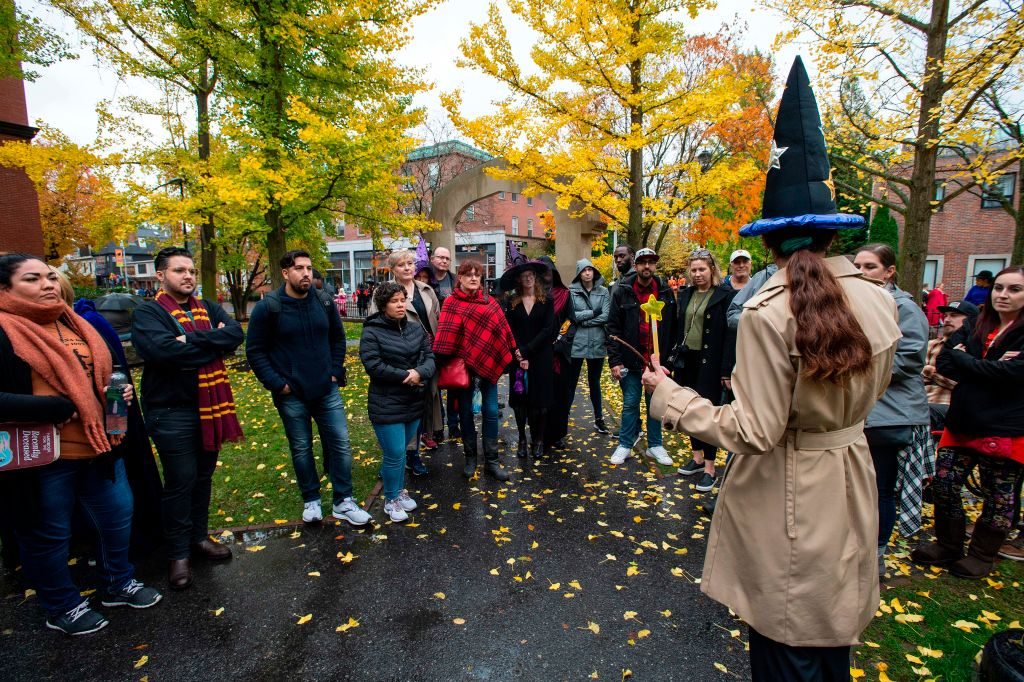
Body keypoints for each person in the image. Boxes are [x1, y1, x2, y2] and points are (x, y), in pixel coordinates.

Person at [642, 56, 903, 679]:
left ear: (768, 240)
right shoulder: (879, 298)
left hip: (792, 490)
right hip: (848, 479)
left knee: (787, 640)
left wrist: (671, 396)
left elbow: (754, 431)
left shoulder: (767, 310)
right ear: (832, 234)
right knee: (827, 632)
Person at [0, 253, 163, 635]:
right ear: (5, 289)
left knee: (116, 518)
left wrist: (116, 391)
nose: (48, 285)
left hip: (101, 444)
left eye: (50, 277)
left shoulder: (73, 322)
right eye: (32, 279)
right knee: (49, 534)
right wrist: (53, 407)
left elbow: (98, 376)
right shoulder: (6, 329)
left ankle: (117, 583)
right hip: (41, 457)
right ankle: (62, 606)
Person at [132, 247, 244, 591]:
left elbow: (236, 334)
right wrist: (210, 343)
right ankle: (178, 553)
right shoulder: (149, 313)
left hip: (210, 409)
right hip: (171, 411)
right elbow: (162, 351)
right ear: (160, 276)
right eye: (180, 270)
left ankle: (198, 537)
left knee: (203, 476)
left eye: (192, 270)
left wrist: (190, 340)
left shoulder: (207, 307)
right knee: (180, 480)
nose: (189, 276)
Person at [245, 250, 371, 528]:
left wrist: (336, 371)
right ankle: (311, 499)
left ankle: (343, 500)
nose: (306, 273)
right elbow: (255, 351)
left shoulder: (324, 301)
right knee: (301, 447)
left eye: (309, 268)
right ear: (285, 273)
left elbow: (338, 338)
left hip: (326, 389)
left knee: (340, 444)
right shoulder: (270, 307)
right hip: (292, 394)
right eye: (299, 268)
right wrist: (278, 384)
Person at [912, 265, 1024, 578]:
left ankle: (981, 554)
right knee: (945, 483)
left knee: (998, 494)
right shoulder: (976, 323)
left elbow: (1014, 375)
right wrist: (985, 366)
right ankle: (948, 545)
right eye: (999, 287)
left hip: (1006, 426)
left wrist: (968, 361)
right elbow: (947, 361)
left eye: (1014, 289)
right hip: (962, 420)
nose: (1003, 294)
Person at [854, 244, 931, 568]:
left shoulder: (904, 307)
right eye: (857, 265)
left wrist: (858, 368)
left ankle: (877, 554)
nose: (861, 272)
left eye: (870, 266)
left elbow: (911, 358)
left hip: (888, 413)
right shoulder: (853, 303)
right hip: (857, 411)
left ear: (889, 271)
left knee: (879, 487)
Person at [432, 259, 522, 481]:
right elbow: (445, 337)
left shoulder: (489, 302)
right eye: (468, 274)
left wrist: (514, 350)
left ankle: (491, 461)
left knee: (491, 412)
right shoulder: (451, 303)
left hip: (488, 366)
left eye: (477, 274)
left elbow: (503, 332)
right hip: (463, 369)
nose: (473, 278)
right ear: (460, 278)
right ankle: (471, 458)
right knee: (465, 414)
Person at [360, 282, 435, 523]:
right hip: (386, 403)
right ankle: (390, 500)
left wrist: (419, 373)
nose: (400, 304)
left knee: (402, 451)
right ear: (383, 305)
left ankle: (400, 492)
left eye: (403, 299)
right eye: (394, 301)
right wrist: (406, 375)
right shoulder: (372, 331)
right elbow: (373, 365)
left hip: (412, 403)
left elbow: (429, 357)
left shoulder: (415, 329)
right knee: (393, 453)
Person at [369, 250, 442, 471]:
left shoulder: (426, 290)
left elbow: (437, 319)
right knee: (403, 409)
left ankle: (414, 451)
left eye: (410, 263)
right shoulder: (383, 293)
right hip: (399, 357)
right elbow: (375, 322)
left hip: (425, 355)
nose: (408, 268)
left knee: (424, 406)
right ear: (393, 270)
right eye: (401, 265)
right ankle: (402, 458)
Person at [672, 249, 737, 492]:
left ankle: (710, 467)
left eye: (702, 269)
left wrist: (726, 369)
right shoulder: (685, 294)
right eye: (694, 270)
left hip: (710, 361)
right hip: (687, 359)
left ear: (712, 269)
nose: (697, 274)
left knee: (707, 412)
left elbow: (730, 335)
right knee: (689, 410)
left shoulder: (724, 295)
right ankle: (697, 457)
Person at [606, 247, 676, 467]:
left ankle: (655, 445)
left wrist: (669, 360)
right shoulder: (622, 291)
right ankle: (625, 443)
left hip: (656, 362)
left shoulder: (665, 292)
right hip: (631, 360)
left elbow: (674, 328)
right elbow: (612, 328)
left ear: (655, 265)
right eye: (643, 262)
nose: (647, 266)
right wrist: (615, 361)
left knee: (656, 404)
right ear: (635, 266)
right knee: (630, 404)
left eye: (651, 262)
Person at [501, 259, 555, 458]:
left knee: (540, 403)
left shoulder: (547, 300)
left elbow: (548, 329)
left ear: (536, 277)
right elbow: (510, 329)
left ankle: (538, 439)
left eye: (531, 275)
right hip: (518, 356)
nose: (528, 278)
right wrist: (518, 352)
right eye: (524, 276)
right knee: (520, 401)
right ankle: (522, 438)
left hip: (541, 356)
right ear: (519, 280)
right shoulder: (512, 302)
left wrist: (528, 351)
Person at [568, 259, 611, 434]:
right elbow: (572, 315)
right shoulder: (571, 292)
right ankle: (563, 418)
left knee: (595, 382)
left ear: (594, 272)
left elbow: (606, 316)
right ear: (579, 273)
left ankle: (599, 419)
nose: (587, 273)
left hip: (597, 342)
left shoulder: (604, 292)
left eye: (590, 270)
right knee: (571, 383)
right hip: (577, 343)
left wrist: (584, 321)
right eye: (584, 270)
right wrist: (592, 313)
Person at [924, 300, 979, 431]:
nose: (947, 319)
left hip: (950, 406)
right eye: (946, 315)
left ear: (970, 321)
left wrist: (931, 373)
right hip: (920, 401)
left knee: (923, 412)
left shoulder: (973, 349)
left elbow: (967, 384)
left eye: (954, 315)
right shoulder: (931, 344)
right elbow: (915, 376)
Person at [539, 255, 575, 452]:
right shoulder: (533, 295)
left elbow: (571, 320)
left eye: (548, 270)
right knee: (540, 396)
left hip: (559, 354)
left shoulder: (564, 294)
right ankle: (540, 434)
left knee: (560, 396)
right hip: (539, 352)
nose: (545, 275)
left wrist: (561, 340)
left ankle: (558, 435)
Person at [429, 246, 461, 441]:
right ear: (433, 259)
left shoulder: (455, 280)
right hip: (432, 337)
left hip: (453, 337)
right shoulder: (425, 279)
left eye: (447, 258)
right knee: (435, 386)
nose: (444, 261)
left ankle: (454, 424)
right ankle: (437, 426)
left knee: (454, 383)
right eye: (440, 257)